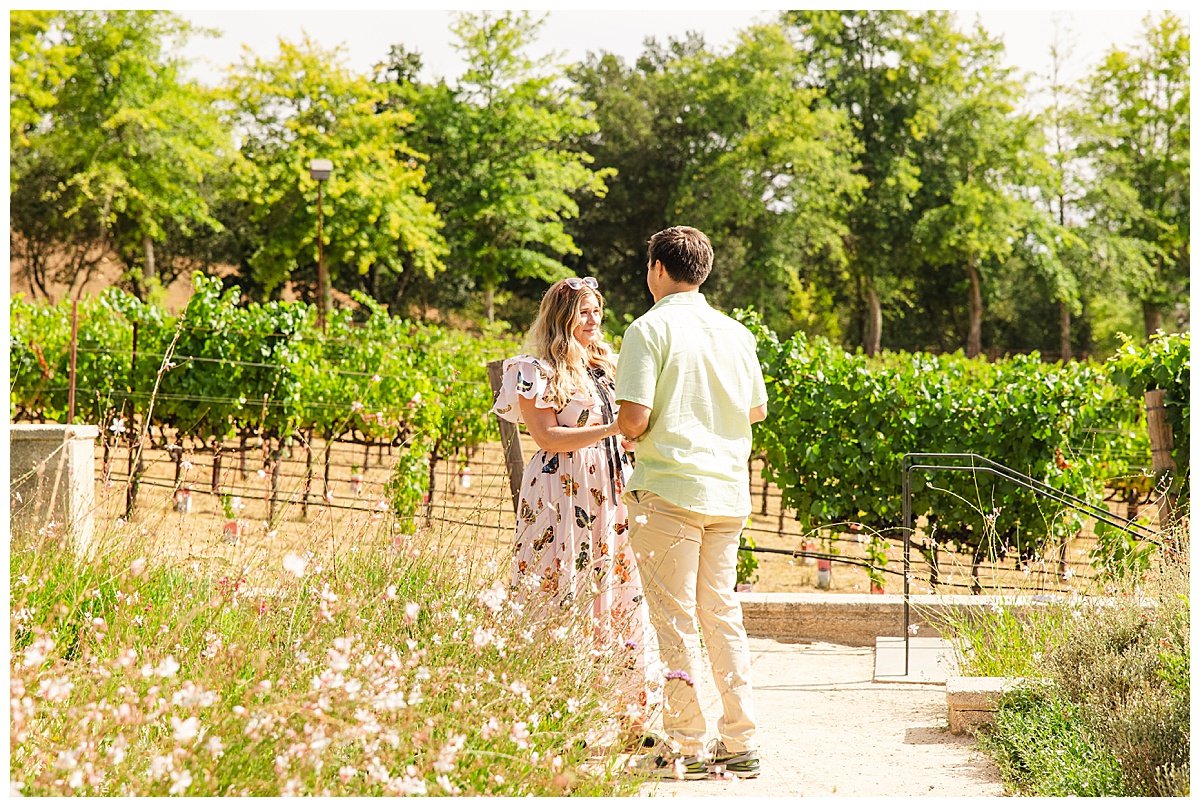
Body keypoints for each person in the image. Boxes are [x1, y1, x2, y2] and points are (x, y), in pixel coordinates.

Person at [615, 226, 767, 780]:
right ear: (702, 272)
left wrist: (622, 429)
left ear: (658, 269)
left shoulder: (647, 329)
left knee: (674, 622)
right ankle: (741, 738)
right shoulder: (737, 333)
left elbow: (633, 419)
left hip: (669, 490)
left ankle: (688, 744)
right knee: (722, 614)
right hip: (727, 492)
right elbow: (755, 412)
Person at [491, 276, 662, 732]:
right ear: (562, 317)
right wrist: (612, 431)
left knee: (616, 582)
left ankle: (626, 712)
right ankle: (557, 705)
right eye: (584, 311)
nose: (595, 319)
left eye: (597, 309)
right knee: (561, 580)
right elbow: (546, 436)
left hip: (607, 483)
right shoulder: (533, 369)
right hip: (561, 487)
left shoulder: (605, 364)